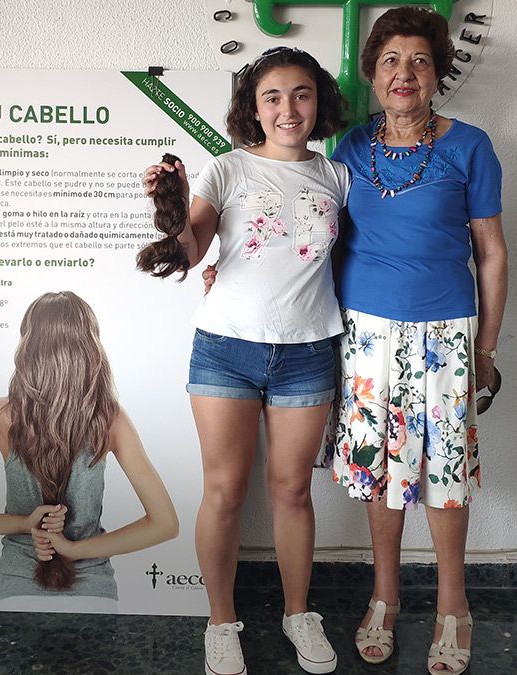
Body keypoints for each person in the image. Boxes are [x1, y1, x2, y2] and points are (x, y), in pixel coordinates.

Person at [140, 47, 350, 675]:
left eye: (302, 94)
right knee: (225, 492)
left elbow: (348, 262)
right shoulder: (226, 170)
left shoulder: (338, 177)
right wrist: (171, 209)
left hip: (309, 350)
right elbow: (192, 243)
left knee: (292, 491)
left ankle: (297, 615)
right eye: (273, 97)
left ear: (320, 102)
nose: (289, 109)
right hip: (226, 349)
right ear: (252, 108)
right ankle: (221, 621)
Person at [329, 7, 508, 673]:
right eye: (391, 61)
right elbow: (321, 239)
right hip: (366, 333)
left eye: (420, 61)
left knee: (443, 474)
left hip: (446, 332)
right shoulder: (349, 147)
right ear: (372, 75)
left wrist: (486, 348)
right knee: (381, 471)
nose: (404, 73)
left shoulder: (470, 146)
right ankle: (384, 598)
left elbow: (491, 252)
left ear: (436, 74)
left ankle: (453, 606)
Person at [0, 291, 179, 613]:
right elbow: (165, 524)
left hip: (16, 586)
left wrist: (24, 523)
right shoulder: (110, 420)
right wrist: (74, 549)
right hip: (94, 590)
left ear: (28, 347)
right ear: (89, 347)